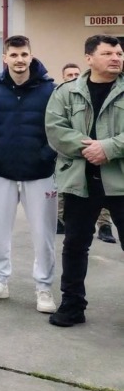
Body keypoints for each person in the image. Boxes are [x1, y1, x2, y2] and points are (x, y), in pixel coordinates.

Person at [0, 36, 58, 313]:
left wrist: (45, 155)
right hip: (1, 172)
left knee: (43, 233)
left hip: (41, 173)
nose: (20, 60)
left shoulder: (50, 89)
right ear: (4, 57)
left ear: (31, 56)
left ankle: (44, 288)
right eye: (14, 55)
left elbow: (58, 128)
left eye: (24, 54)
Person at [45, 34, 124, 328]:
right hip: (81, 182)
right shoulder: (66, 92)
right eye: (108, 53)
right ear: (89, 58)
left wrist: (110, 148)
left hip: (120, 182)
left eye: (118, 53)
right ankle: (72, 305)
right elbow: (55, 129)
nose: (116, 58)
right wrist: (89, 148)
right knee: (75, 245)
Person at [54, 63, 115, 242]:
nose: (73, 76)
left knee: (107, 193)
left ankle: (104, 226)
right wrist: (88, 148)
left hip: (108, 160)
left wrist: (105, 148)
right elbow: (56, 127)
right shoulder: (62, 95)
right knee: (66, 192)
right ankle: (60, 220)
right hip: (73, 158)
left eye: (76, 73)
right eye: (69, 74)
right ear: (63, 77)